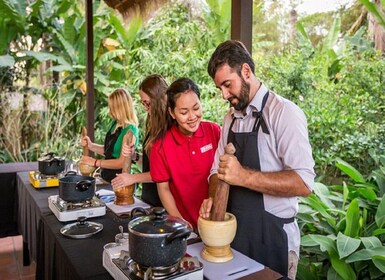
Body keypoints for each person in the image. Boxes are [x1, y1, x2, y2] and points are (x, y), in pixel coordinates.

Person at [199, 40, 315, 279]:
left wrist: (243, 176)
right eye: (219, 88)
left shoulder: (284, 113)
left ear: (246, 71)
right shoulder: (229, 119)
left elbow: (304, 183)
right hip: (236, 238)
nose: (224, 94)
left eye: (227, 85)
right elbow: (215, 172)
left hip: (272, 238)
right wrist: (211, 197)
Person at [149, 77, 221, 229]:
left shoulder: (214, 131)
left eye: (196, 108)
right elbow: (164, 189)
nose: (192, 117)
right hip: (185, 226)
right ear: (172, 113)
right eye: (184, 112)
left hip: (217, 224)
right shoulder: (160, 146)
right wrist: (180, 223)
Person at [111, 74, 169, 207]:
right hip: (149, 197)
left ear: (158, 99)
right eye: (143, 103)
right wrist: (135, 156)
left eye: (147, 103)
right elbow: (152, 162)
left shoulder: (170, 128)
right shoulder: (152, 123)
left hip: (164, 200)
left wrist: (132, 178)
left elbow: (163, 172)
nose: (145, 107)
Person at [80, 88, 139, 183]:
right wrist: (91, 146)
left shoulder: (130, 131)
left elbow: (122, 162)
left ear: (120, 108)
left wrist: (95, 162)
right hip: (106, 178)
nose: (110, 111)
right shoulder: (115, 123)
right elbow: (110, 151)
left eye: (112, 108)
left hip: (120, 181)